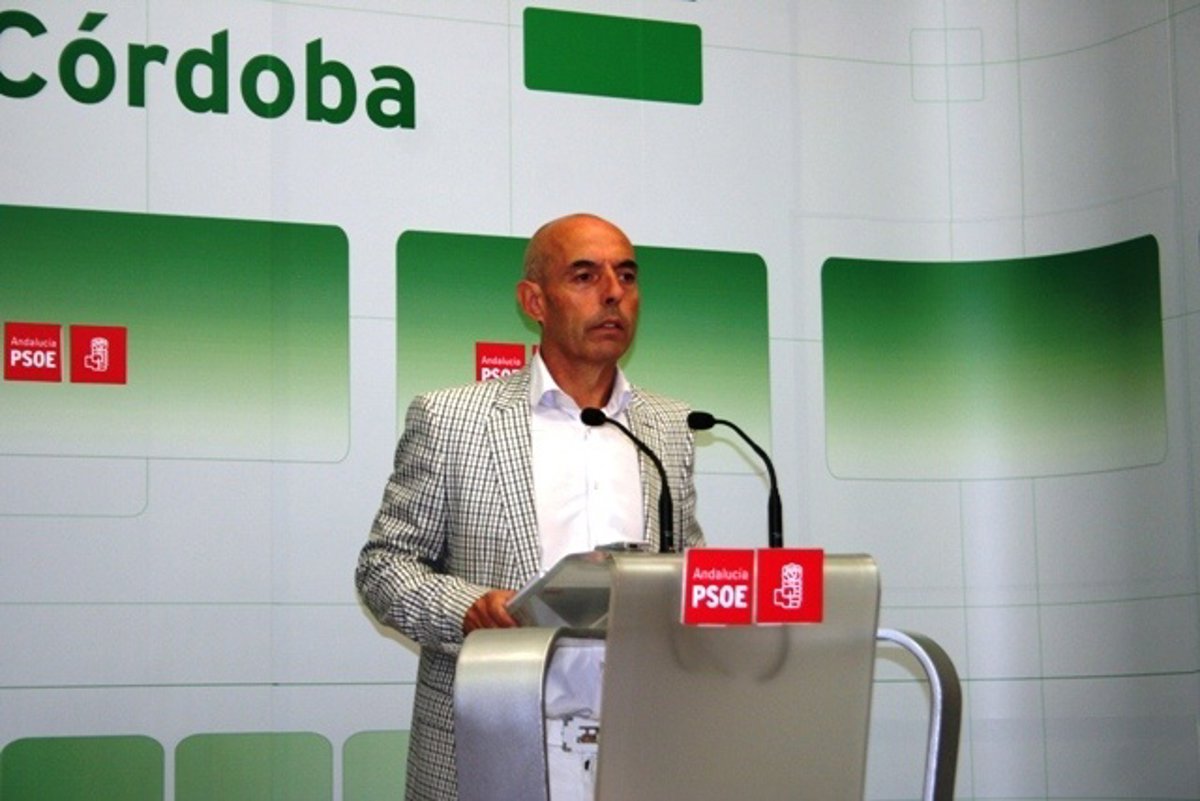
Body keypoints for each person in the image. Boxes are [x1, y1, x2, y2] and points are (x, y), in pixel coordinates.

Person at [355, 213, 705, 800]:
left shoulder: (669, 427)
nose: (613, 293)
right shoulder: (451, 420)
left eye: (626, 276)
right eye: (585, 276)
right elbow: (383, 570)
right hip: (497, 737)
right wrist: (469, 609)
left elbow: (687, 570)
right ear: (534, 301)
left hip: (640, 745)